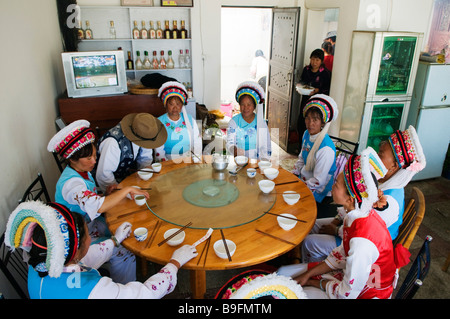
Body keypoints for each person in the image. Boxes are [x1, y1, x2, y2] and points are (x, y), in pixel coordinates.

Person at [278, 148, 411, 299]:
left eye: (336, 184)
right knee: (282, 272)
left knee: (292, 294)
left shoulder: (362, 242)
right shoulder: (355, 215)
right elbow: (339, 255)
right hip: (349, 277)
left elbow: (346, 293)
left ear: (350, 199)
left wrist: (313, 282)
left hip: (365, 292)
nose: (332, 186)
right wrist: (308, 275)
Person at [4, 201, 198, 299]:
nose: (91, 237)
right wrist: (174, 263)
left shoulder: (42, 259)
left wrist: (114, 240)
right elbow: (145, 294)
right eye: (88, 234)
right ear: (76, 250)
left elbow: (85, 259)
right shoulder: (92, 290)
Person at [300, 126, 426, 262]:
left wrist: (336, 230)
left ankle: (315, 271)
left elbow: (363, 231)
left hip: (363, 248)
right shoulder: (382, 181)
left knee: (310, 243)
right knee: (310, 225)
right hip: (349, 225)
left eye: (381, 154)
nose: (376, 157)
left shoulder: (389, 203)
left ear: (394, 166)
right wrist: (336, 221)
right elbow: (353, 207)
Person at [47, 119, 149, 284]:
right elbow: (98, 206)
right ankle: (123, 289)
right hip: (76, 239)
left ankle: (117, 271)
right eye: (88, 158)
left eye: (95, 155)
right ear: (72, 159)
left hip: (89, 224)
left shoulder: (81, 171)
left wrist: (105, 193)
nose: (94, 161)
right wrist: (127, 190)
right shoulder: (70, 184)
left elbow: (93, 200)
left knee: (127, 225)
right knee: (124, 247)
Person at [95, 113, 167, 193]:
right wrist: (121, 193)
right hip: (110, 185)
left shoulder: (144, 134)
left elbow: (145, 159)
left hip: (128, 180)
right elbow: (104, 176)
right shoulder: (113, 143)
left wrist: (146, 175)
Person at [292, 94, 338, 218]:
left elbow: (319, 181)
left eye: (315, 119)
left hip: (319, 192)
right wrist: (294, 175)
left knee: (293, 211)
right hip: (305, 181)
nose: (310, 123)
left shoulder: (326, 148)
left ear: (323, 123)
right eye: (308, 118)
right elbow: (302, 158)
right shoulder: (307, 134)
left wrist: (299, 187)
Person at [154, 81, 202, 163]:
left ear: (182, 105)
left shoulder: (190, 120)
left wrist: (196, 159)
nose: (175, 108)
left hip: (188, 159)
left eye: (178, 104)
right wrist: (165, 164)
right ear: (165, 104)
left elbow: (197, 141)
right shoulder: (159, 122)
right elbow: (158, 148)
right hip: (168, 160)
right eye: (171, 104)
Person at [226, 81, 271, 160]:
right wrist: (235, 149)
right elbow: (230, 141)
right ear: (239, 105)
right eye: (242, 104)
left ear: (254, 106)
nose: (245, 108)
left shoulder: (260, 122)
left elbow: (266, 144)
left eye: (249, 104)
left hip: (257, 160)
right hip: (239, 160)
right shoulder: (234, 121)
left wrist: (264, 161)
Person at [297, 49, 331, 140]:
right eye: (312, 59)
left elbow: (327, 89)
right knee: (302, 123)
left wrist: (317, 90)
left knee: (314, 123)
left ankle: (312, 145)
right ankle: (302, 145)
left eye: (317, 60)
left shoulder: (325, 73)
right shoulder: (306, 70)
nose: (314, 62)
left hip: (317, 103)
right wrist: (299, 86)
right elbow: (302, 81)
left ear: (321, 61)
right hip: (306, 100)